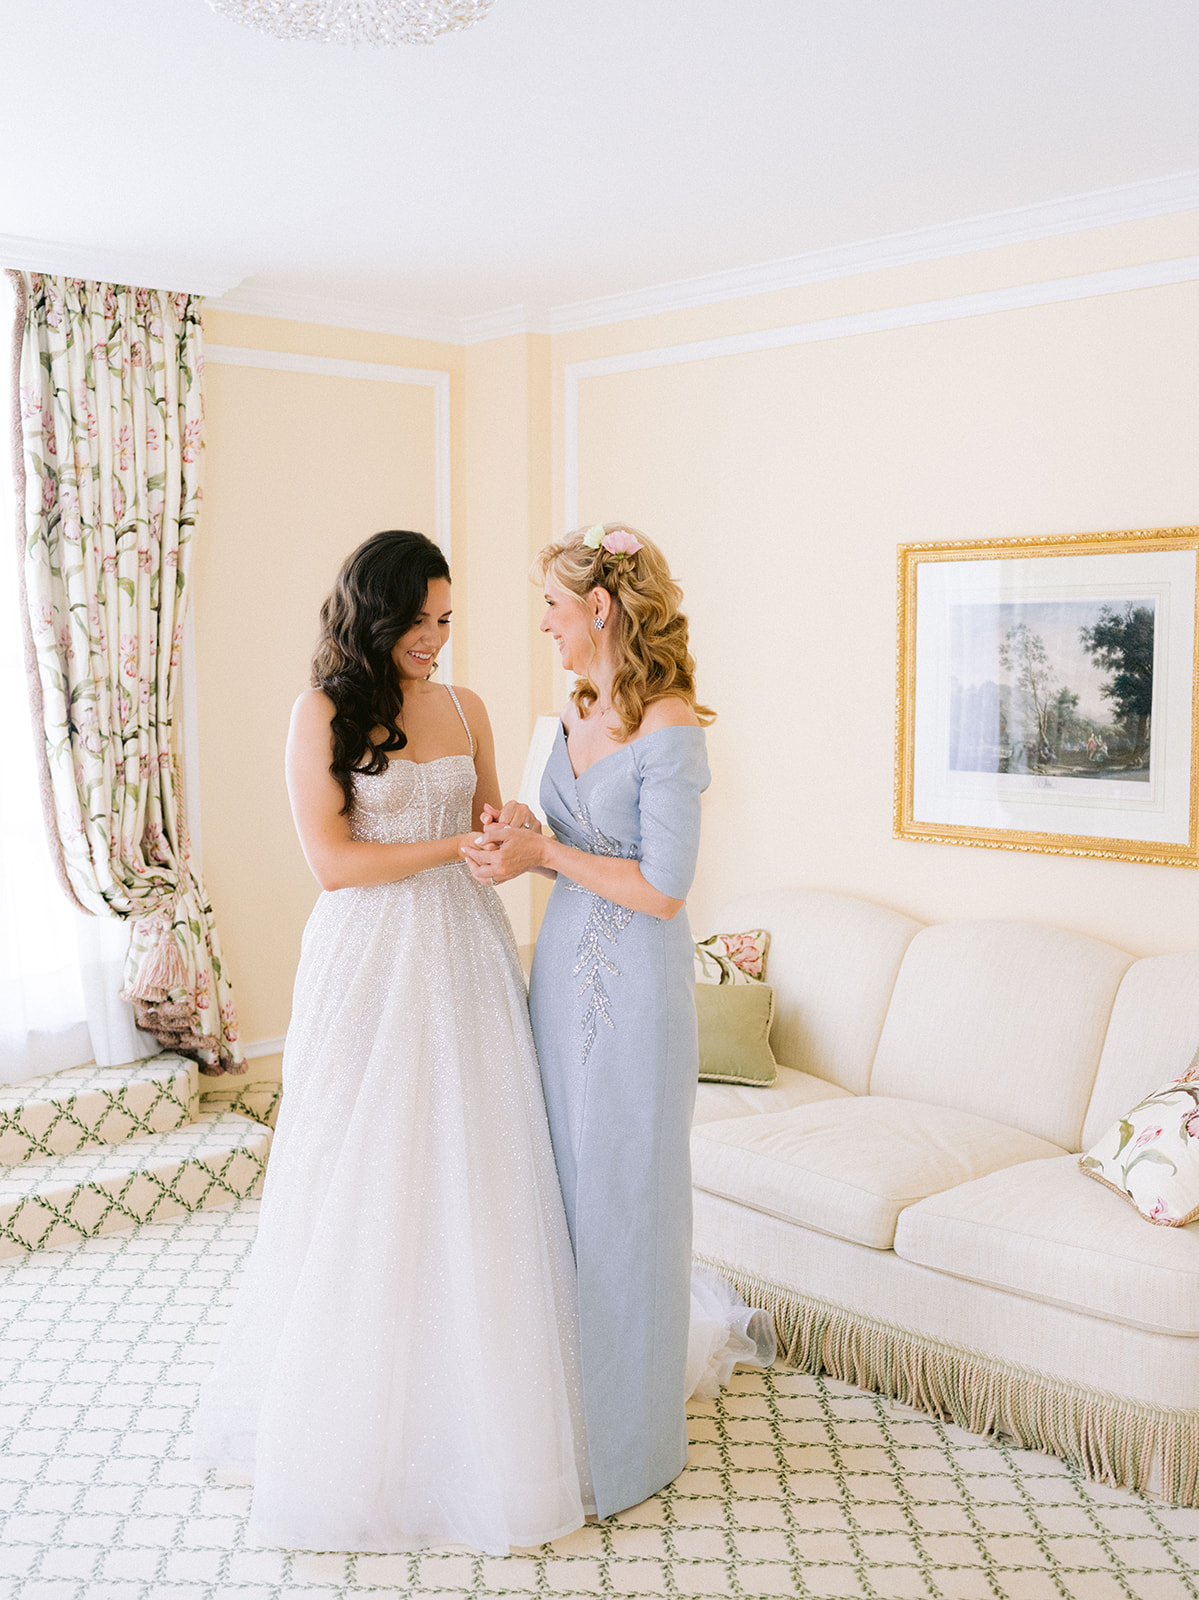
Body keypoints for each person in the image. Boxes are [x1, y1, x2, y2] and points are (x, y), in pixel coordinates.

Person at [192, 529, 593, 1554]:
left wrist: (500, 831)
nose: (434, 639)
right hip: (370, 959)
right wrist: (450, 846)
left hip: (464, 949)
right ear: (373, 617)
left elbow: (488, 815)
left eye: (446, 621)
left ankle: (484, 1402)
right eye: (417, 622)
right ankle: (358, 1411)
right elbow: (333, 861)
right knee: (368, 1167)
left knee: (476, 1164)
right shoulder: (321, 711)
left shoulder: (468, 707)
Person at [463, 522, 770, 1522]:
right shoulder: (576, 703)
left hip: (634, 994)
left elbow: (663, 888)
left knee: (625, 1210)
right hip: (559, 980)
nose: (543, 626)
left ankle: (628, 1449)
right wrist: (523, 833)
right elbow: (562, 833)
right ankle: (563, 1419)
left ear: (597, 608)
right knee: (559, 1195)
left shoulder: (671, 724)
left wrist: (545, 859)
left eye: (552, 605)